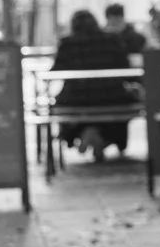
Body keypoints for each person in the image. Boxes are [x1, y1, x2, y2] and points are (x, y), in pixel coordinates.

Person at [53, 8, 137, 160]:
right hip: (113, 98)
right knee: (125, 106)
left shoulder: (67, 43)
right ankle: (104, 138)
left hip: (74, 100)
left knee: (61, 109)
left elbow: (55, 71)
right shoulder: (112, 39)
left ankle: (84, 132)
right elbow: (126, 69)